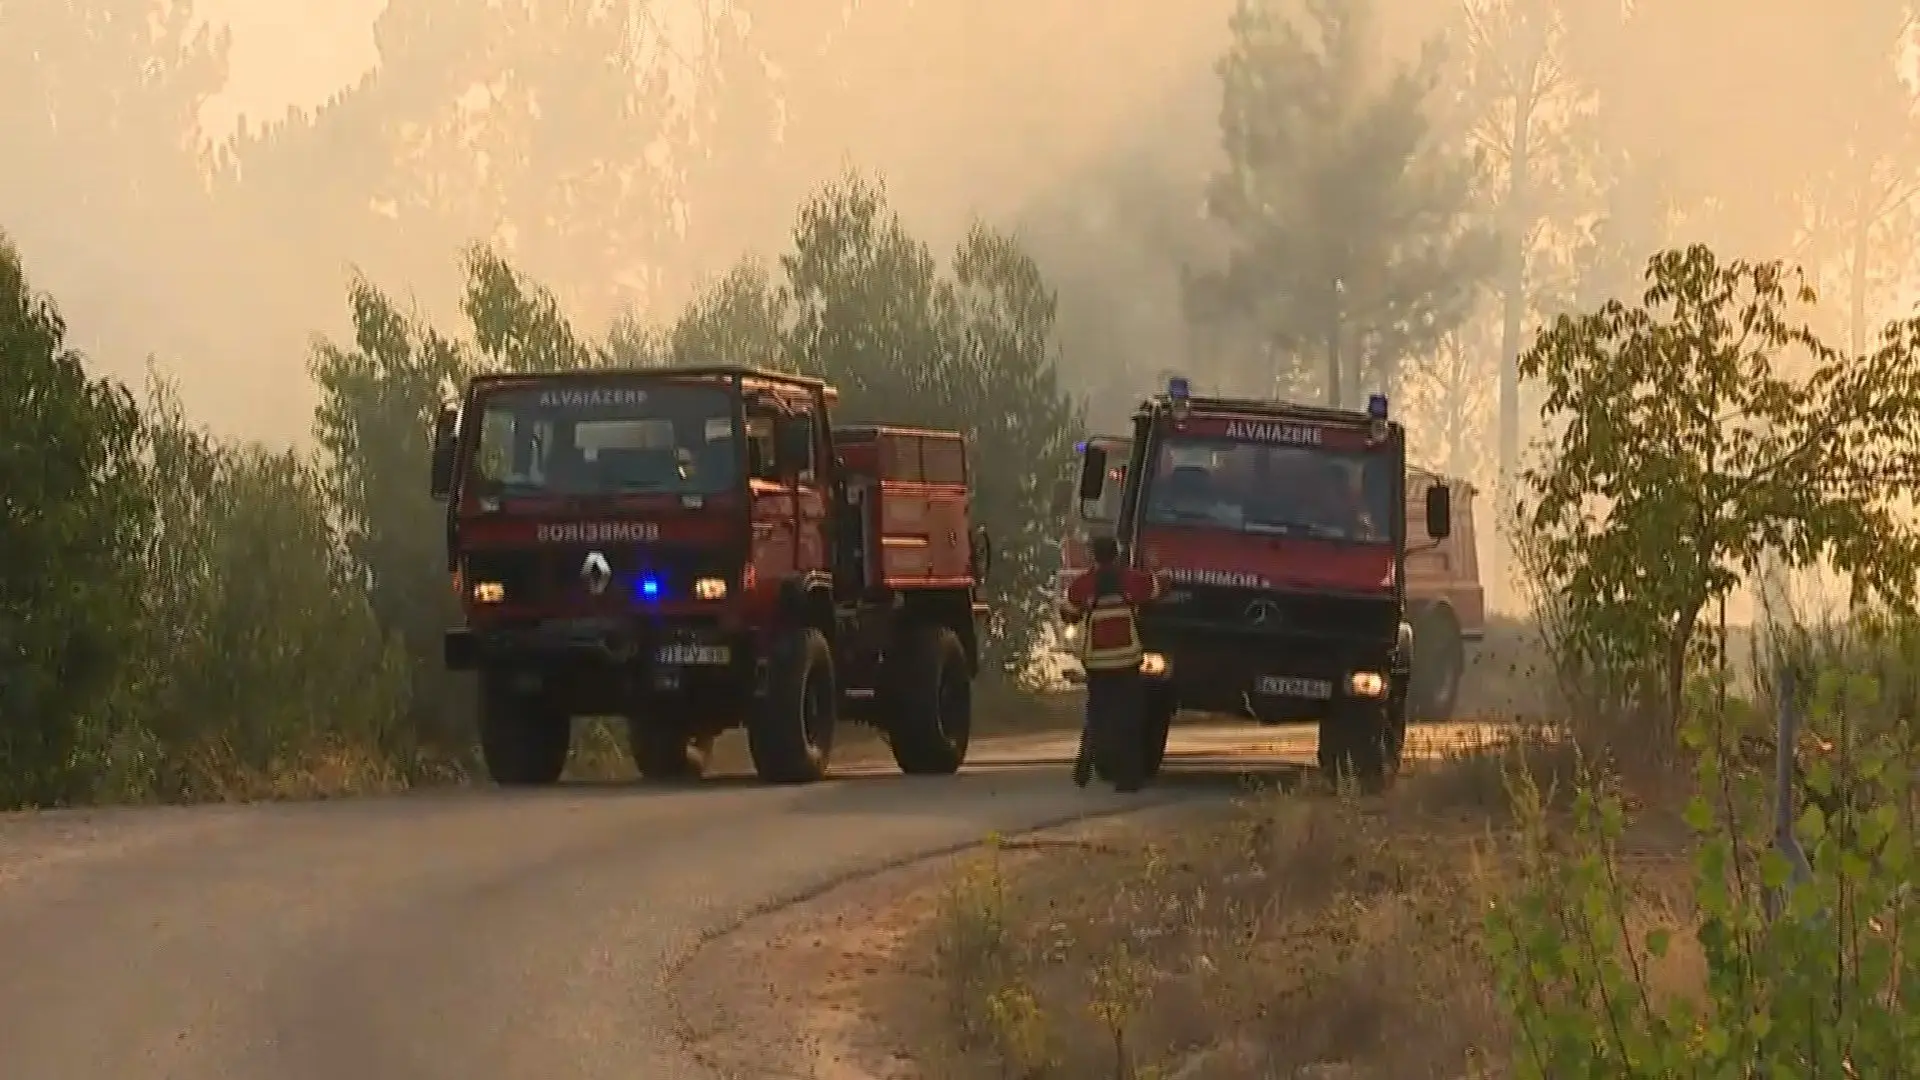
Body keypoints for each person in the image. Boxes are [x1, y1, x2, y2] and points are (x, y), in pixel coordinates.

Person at [1060, 536, 1164, 788]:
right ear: (1117, 554)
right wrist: (1155, 568)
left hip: (1096, 663)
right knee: (1129, 718)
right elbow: (1155, 590)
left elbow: (1069, 614)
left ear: (1094, 556)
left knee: (1097, 715)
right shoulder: (1131, 579)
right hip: (1127, 662)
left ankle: (1084, 765)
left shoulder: (1082, 585)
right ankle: (1128, 777)